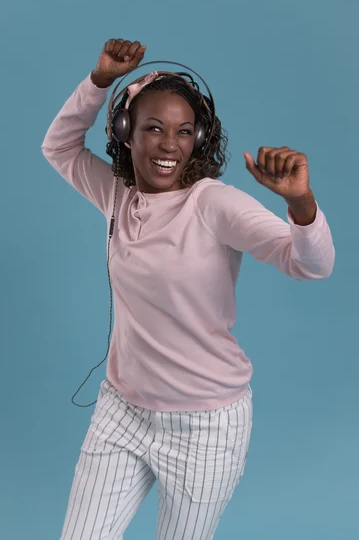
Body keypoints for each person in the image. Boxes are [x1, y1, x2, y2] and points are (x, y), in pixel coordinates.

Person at [42, 39, 335, 540]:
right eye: (153, 128)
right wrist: (99, 80)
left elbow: (310, 264)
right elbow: (60, 146)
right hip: (122, 412)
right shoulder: (115, 194)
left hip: (205, 428)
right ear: (125, 133)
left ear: (199, 139)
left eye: (183, 132)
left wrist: (302, 204)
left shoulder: (213, 204)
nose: (169, 144)